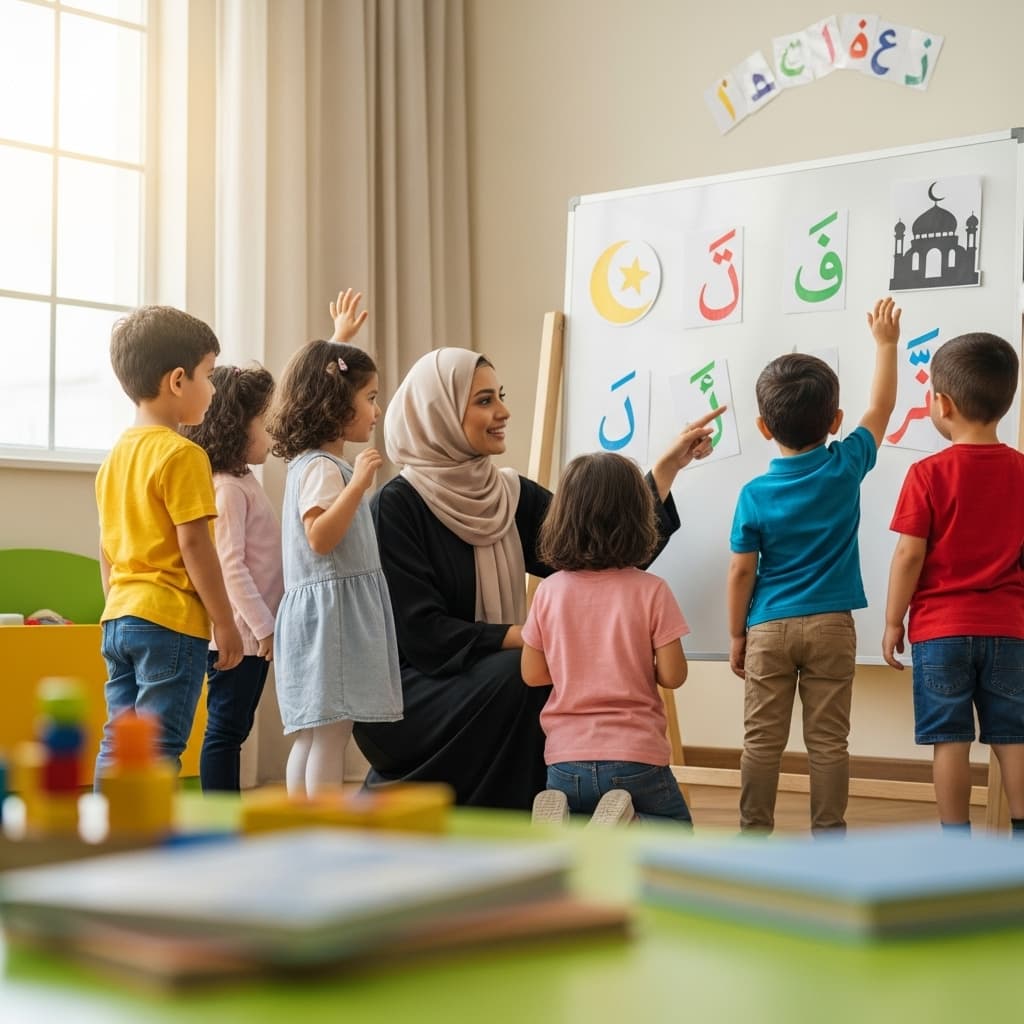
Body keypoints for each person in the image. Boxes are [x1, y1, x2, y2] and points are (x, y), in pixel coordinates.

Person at [354, 345, 722, 810]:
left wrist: (665, 470)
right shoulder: (397, 506)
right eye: (484, 400)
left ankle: (548, 812)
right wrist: (540, 637)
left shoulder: (506, 493)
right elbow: (423, 634)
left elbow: (604, 553)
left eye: (499, 396)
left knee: (536, 670)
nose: (503, 411)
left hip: (488, 676)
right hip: (413, 697)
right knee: (532, 671)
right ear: (438, 413)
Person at [726, 296, 900, 834]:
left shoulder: (754, 493)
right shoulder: (846, 464)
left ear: (761, 426)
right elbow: (883, 407)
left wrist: (737, 635)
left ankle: (754, 832)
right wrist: (886, 346)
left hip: (769, 626)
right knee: (828, 741)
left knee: (762, 741)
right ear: (836, 422)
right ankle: (829, 837)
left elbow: (740, 572)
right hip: (832, 626)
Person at [883, 332, 1024, 836]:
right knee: (1013, 737)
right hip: (1010, 630)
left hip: (940, 632)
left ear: (941, 404)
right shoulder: (1021, 471)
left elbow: (909, 555)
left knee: (951, 740)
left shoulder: (926, 473)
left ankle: (955, 841)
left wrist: (892, 619)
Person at [94, 306, 243, 781]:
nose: (214, 389)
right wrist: (226, 622)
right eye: (210, 375)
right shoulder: (183, 454)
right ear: (178, 380)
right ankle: (145, 843)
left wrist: (118, 607)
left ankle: (109, 836)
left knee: (120, 742)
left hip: (119, 617)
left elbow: (106, 549)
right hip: (170, 624)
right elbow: (196, 547)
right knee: (158, 749)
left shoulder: (115, 457)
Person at [521, 451, 693, 827]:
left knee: (586, 840)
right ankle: (630, 826)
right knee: (677, 833)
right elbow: (673, 675)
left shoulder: (549, 591)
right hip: (636, 756)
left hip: (564, 761)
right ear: (638, 519)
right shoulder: (652, 590)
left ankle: (567, 823)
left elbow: (532, 674)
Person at [266, 328, 403, 798]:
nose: (377, 409)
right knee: (330, 732)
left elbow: (315, 372)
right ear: (336, 404)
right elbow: (321, 537)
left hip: (322, 613)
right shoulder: (326, 469)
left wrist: (338, 339)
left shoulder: (308, 462)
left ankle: (303, 821)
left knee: (314, 731)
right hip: (333, 619)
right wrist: (359, 484)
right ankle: (323, 826)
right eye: (370, 397)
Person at [180, 364, 282, 793]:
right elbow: (230, 566)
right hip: (239, 637)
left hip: (251, 635)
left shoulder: (243, 481)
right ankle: (220, 815)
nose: (271, 433)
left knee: (234, 727)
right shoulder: (226, 488)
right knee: (226, 730)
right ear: (235, 427)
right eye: (263, 422)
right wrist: (265, 628)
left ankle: (224, 812)